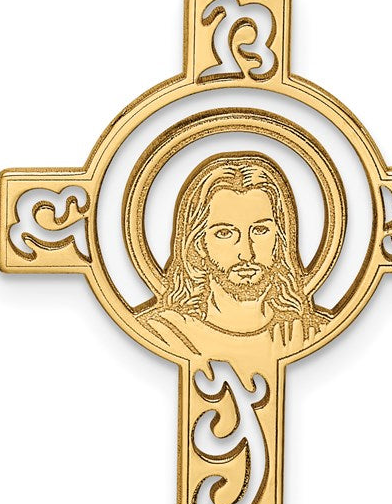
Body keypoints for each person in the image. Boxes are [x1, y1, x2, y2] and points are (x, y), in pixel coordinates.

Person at [136, 152, 327, 364]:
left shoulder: (309, 336)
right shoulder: (163, 335)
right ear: (198, 244)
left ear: (281, 239)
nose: (246, 253)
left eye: (260, 230)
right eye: (225, 233)